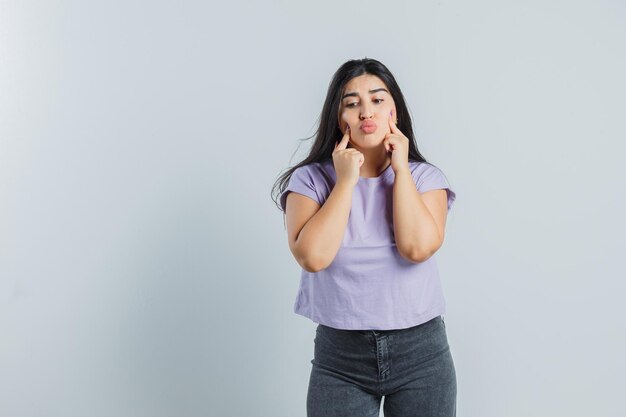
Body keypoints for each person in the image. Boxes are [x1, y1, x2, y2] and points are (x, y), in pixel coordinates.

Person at [271, 57, 457, 417]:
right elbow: (313, 257)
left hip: (422, 353)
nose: (365, 111)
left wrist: (400, 168)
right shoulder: (310, 181)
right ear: (338, 118)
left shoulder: (425, 179)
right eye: (352, 103)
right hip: (340, 358)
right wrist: (345, 182)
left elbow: (417, 248)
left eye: (377, 99)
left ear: (395, 112)